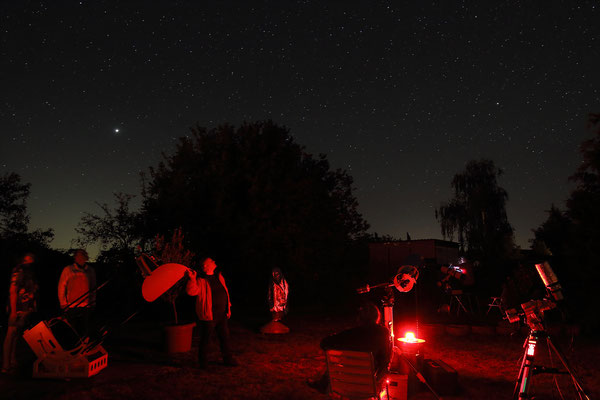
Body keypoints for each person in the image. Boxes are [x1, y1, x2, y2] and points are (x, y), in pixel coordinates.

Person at [308, 302, 391, 393]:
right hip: (370, 384)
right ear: (377, 316)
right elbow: (385, 360)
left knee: (337, 356)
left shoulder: (352, 333)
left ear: (360, 318)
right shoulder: (383, 333)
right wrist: (377, 380)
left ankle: (323, 384)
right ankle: (323, 384)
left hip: (346, 381)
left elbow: (324, 343)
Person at [186, 257, 238, 368]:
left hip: (222, 314)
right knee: (206, 339)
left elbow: (225, 293)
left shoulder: (219, 277)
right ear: (206, 266)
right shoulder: (201, 281)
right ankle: (203, 362)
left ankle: (228, 359)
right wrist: (192, 279)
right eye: (211, 261)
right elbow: (191, 292)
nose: (214, 261)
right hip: (209, 315)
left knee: (225, 337)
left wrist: (228, 308)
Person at [2, 253, 38, 374]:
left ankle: (12, 360)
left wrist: (32, 305)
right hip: (17, 306)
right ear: (23, 259)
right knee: (11, 332)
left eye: (32, 258)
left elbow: (32, 289)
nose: (31, 260)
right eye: (29, 258)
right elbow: (13, 291)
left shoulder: (31, 272)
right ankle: (5, 365)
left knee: (16, 333)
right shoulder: (19, 270)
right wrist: (13, 311)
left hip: (25, 306)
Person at [58, 249, 96, 338]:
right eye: (77, 256)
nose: (79, 258)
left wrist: (93, 301)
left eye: (82, 256)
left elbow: (93, 287)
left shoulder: (90, 270)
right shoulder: (68, 269)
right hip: (72, 304)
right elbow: (61, 286)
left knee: (85, 327)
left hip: (86, 304)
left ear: (85, 257)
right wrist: (63, 303)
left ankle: (84, 344)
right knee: (72, 327)